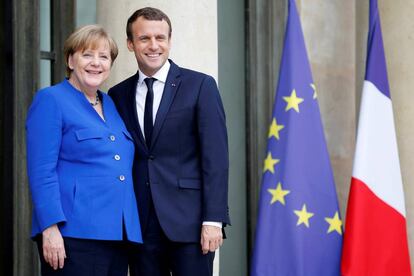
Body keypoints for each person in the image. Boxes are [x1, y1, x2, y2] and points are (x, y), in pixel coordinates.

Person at [108, 7, 230, 276]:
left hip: (191, 223)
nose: (154, 46)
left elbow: (216, 159)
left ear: (169, 41)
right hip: (140, 225)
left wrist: (214, 219)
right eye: (144, 38)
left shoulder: (200, 86)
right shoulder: (117, 95)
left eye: (160, 38)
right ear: (131, 44)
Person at [26, 24, 142, 276]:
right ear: (70, 60)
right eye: (87, 55)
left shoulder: (109, 102)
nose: (96, 63)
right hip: (73, 233)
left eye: (104, 57)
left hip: (118, 234)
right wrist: (50, 228)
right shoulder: (51, 99)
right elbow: (41, 171)